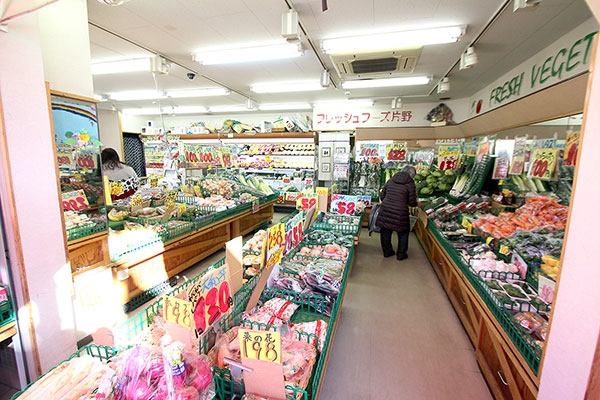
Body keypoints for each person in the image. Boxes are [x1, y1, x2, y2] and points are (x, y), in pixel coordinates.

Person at [376, 166, 418, 260]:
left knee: (385, 231)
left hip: (386, 209)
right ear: (411, 175)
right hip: (400, 212)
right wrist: (415, 203)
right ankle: (401, 254)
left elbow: (382, 196)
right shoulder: (410, 183)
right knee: (403, 233)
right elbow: (412, 202)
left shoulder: (391, 180)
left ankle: (387, 252)